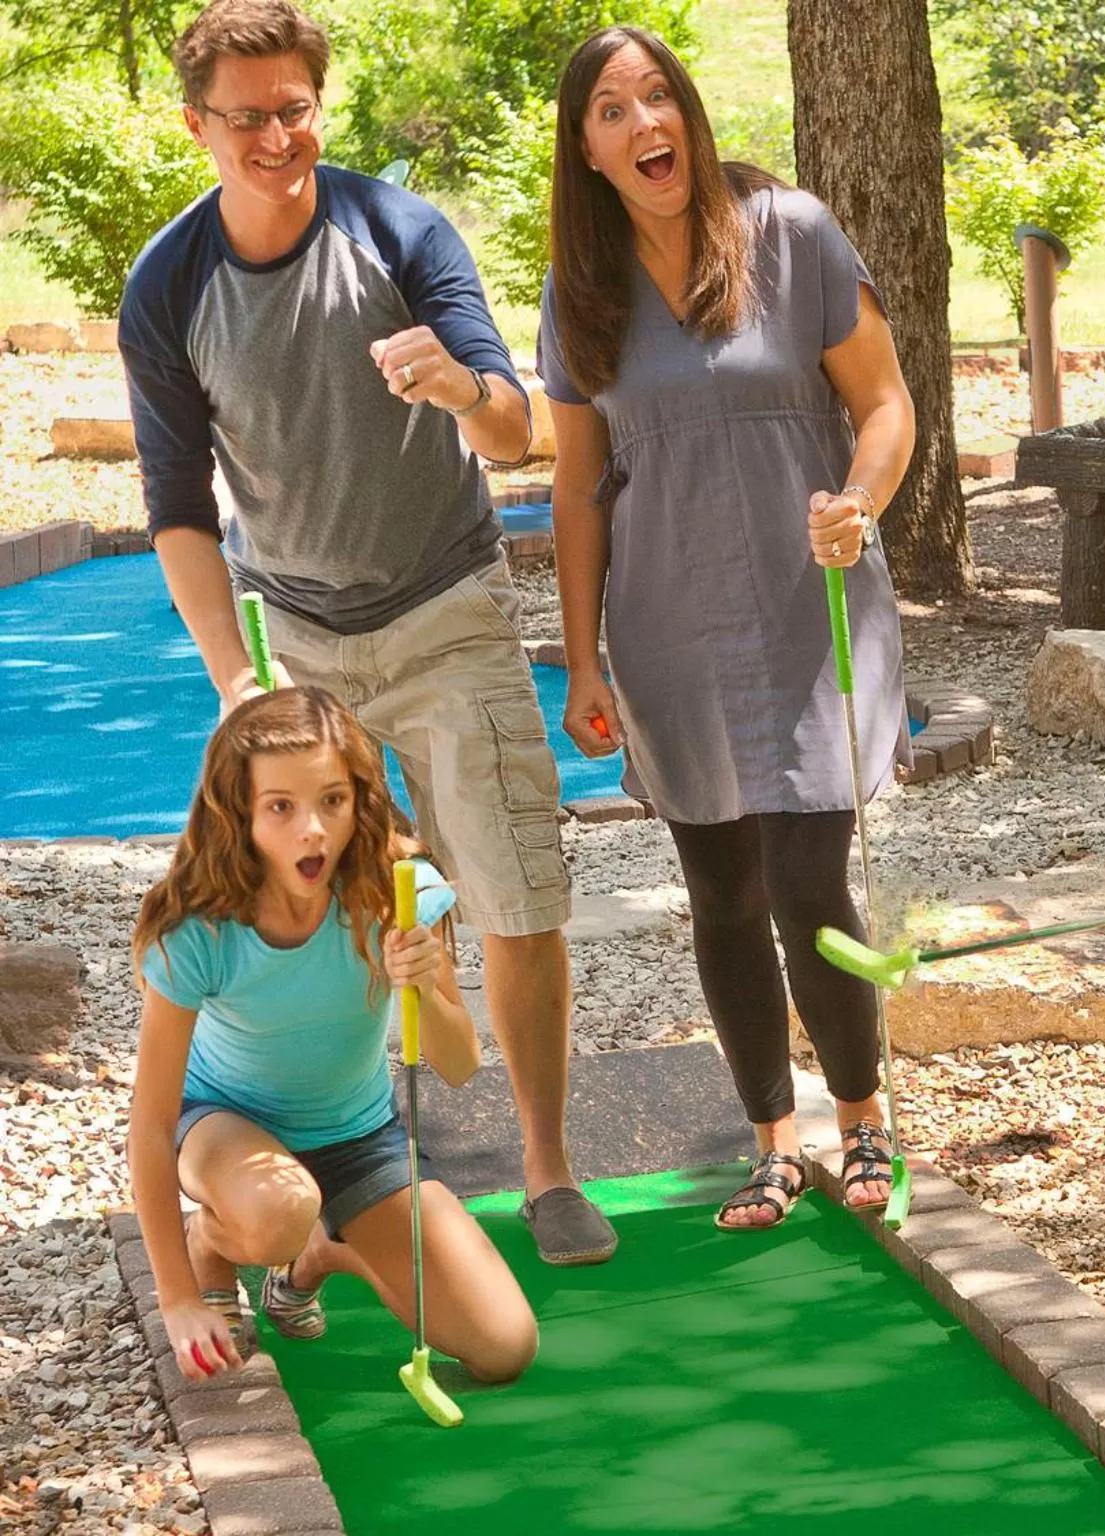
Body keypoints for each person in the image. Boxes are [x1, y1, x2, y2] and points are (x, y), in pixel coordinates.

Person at [118, 0, 615, 1265]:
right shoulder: (169, 287)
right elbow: (178, 511)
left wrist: (458, 387)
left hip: (447, 606)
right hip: (302, 643)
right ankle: (318, 1155)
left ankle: (548, 1169)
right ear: (198, 126)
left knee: (511, 889)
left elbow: (517, 431)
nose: (276, 135)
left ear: (319, 108)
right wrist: (238, 678)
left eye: (296, 108)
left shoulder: (397, 230)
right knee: (330, 904)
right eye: (248, 116)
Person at [538, 26, 916, 1230]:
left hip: (808, 603)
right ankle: (771, 1142)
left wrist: (858, 502)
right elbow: (576, 485)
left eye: (660, 98)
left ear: (690, 118)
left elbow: (886, 401)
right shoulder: (579, 291)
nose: (644, 124)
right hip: (666, 622)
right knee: (717, 889)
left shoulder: (791, 234)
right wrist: (583, 655)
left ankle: (861, 1122)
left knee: (807, 877)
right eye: (612, 109)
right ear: (586, 149)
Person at [128, 688, 538, 1384]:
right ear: (241, 813)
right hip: (222, 1127)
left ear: (359, 801)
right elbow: (150, 1118)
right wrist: (176, 1300)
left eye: (333, 801)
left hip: (356, 1135)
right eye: (281, 806)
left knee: (505, 1347)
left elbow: (461, 1062)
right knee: (280, 1210)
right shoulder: (199, 925)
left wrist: (423, 985)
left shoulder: (401, 889)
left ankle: (317, 1254)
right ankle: (216, 1245)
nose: (312, 828)